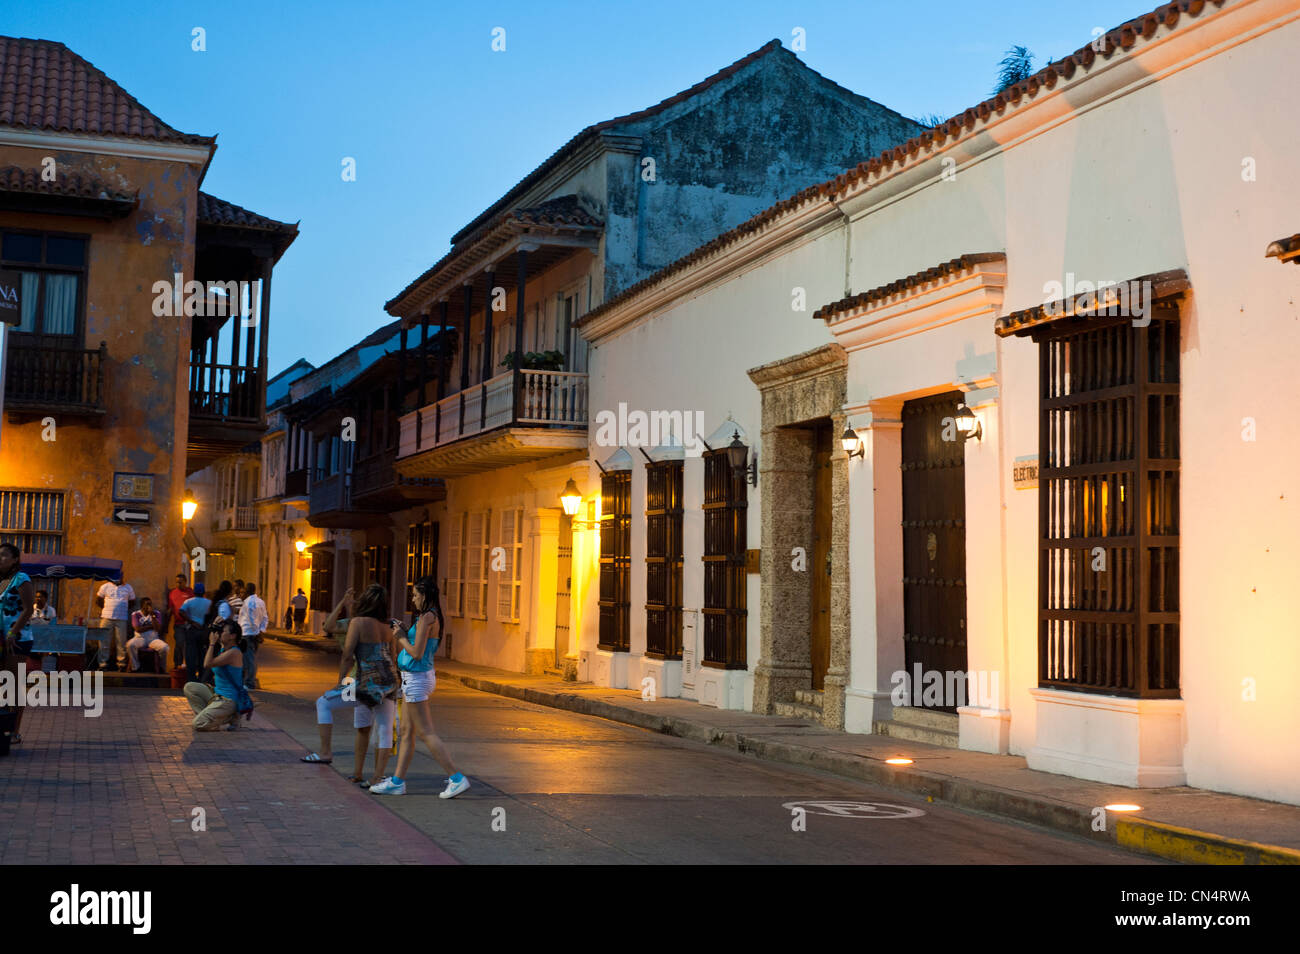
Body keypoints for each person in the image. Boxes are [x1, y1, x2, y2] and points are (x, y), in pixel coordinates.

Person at [370, 576, 467, 798]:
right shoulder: (427, 617)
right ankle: (397, 781)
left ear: (424, 595)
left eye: (415, 595)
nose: (412, 600)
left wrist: (401, 637)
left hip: (417, 679)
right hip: (413, 678)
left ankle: (456, 778)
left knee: (426, 732)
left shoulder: (427, 617)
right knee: (406, 732)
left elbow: (416, 652)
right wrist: (406, 631)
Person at [302, 585, 397, 785]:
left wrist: (340, 682)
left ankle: (327, 752)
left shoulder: (358, 622)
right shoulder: (389, 626)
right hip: (388, 683)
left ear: (364, 601)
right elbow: (393, 657)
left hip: (362, 685)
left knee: (324, 703)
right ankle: (376, 777)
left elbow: (347, 654)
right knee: (384, 729)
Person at [183, 620, 251, 731]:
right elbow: (211, 632)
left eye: (223, 631)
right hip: (217, 695)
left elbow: (207, 664)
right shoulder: (224, 649)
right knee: (190, 687)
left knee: (197, 724)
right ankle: (210, 718)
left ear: (232, 636)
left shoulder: (234, 653)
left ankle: (229, 717)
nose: (219, 634)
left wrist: (212, 643)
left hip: (228, 700)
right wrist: (215, 625)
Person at [0, 542, 36, 745]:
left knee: (13, 684)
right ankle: (3, 726)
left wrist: (14, 632)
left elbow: (28, 609)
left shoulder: (21, 579)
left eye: (5, 555)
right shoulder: (1, 582)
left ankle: (14, 731)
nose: (0, 558)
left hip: (18, 639)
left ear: (15, 560)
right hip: (1, 639)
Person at [95, 576, 136, 671]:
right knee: (104, 641)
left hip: (121, 619)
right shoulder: (105, 586)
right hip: (106, 618)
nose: (119, 578)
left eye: (120, 576)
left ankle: (121, 665)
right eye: (116, 575)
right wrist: (109, 609)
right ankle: (103, 664)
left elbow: (132, 601)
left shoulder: (128, 587)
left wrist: (122, 609)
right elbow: (98, 600)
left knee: (121, 642)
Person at [237, 582, 268, 689]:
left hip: (248, 633)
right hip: (253, 633)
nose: (242, 594)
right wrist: (261, 630)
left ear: (248, 591)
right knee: (251, 658)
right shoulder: (261, 602)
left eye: (244, 591)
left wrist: (256, 631)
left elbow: (251, 618)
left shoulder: (248, 602)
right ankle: (248, 680)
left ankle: (249, 682)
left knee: (248, 659)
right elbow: (265, 617)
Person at [178, 582, 212, 680]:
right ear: (203, 592)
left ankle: (191, 679)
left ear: (194, 591)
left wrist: (191, 621)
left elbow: (181, 611)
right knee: (202, 655)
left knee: (191, 656)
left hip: (192, 630)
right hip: (203, 631)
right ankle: (202, 678)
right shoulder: (209, 602)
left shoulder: (188, 601)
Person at [126, 597, 169, 672]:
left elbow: (157, 629)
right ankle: (135, 667)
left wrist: (152, 615)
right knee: (130, 645)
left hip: (153, 639)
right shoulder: (135, 614)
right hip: (140, 638)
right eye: (147, 604)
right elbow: (138, 629)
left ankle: (162, 667)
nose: (149, 606)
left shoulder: (156, 613)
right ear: (142, 605)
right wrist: (151, 626)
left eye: (150, 604)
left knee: (165, 647)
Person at [166, 574, 193, 668]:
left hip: (189, 624)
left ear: (185, 582)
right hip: (178, 624)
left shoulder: (190, 592)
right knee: (179, 643)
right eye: (177, 582)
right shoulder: (172, 593)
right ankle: (177, 664)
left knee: (189, 645)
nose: (178, 584)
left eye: (180, 582)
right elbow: (170, 608)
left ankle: (188, 665)